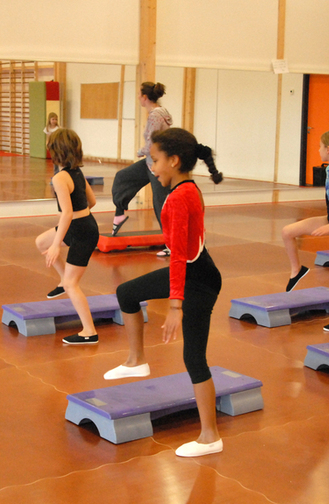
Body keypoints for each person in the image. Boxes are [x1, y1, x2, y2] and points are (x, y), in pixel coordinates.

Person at [105, 128, 224, 457]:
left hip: (197, 280)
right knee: (127, 293)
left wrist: (175, 306)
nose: (151, 166)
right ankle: (136, 361)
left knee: (194, 359)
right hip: (197, 271)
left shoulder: (177, 199)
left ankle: (210, 437)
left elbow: (179, 259)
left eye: (154, 160)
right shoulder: (187, 188)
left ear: (174, 161)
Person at [282, 130, 329, 332]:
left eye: (319, 146)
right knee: (287, 232)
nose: (318, 150)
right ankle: (297, 270)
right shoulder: (328, 171)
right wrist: (326, 220)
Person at [35, 129, 100, 345]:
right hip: (81, 225)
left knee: (73, 285)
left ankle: (89, 331)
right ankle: (63, 279)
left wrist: (56, 245)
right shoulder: (76, 172)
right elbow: (92, 202)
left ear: (55, 152)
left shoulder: (60, 178)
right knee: (40, 242)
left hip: (81, 231)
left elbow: (67, 213)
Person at [111, 82, 172, 255]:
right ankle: (119, 213)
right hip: (149, 163)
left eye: (139, 95)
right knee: (123, 177)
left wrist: (140, 151)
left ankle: (172, 245)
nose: (138, 97)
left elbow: (152, 142)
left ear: (145, 97)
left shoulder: (155, 115)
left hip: (156, 166)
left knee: (160, 204)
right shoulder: (161, 112)